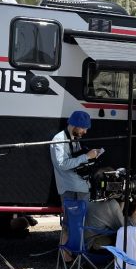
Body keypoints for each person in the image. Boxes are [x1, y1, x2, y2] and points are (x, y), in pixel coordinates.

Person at [50, 111, 101, 260]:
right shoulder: (59, 139)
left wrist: (90, 157)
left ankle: (81, 258)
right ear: (75, 125)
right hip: (70, 189)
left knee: (82, 225)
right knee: (68, 225)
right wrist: (86, 156)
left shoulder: (74, 137)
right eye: (83, 128)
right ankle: (68, 262)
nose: (85, 132)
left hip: (81, 187)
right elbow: (62, 164)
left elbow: (75, 159)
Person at [84, 178, 136, 262]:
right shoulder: (109, 205)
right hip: (95, 248)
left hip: (81, 244)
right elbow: (128, 231)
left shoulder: (86, 196)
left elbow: (110, 217)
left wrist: (121, 200)